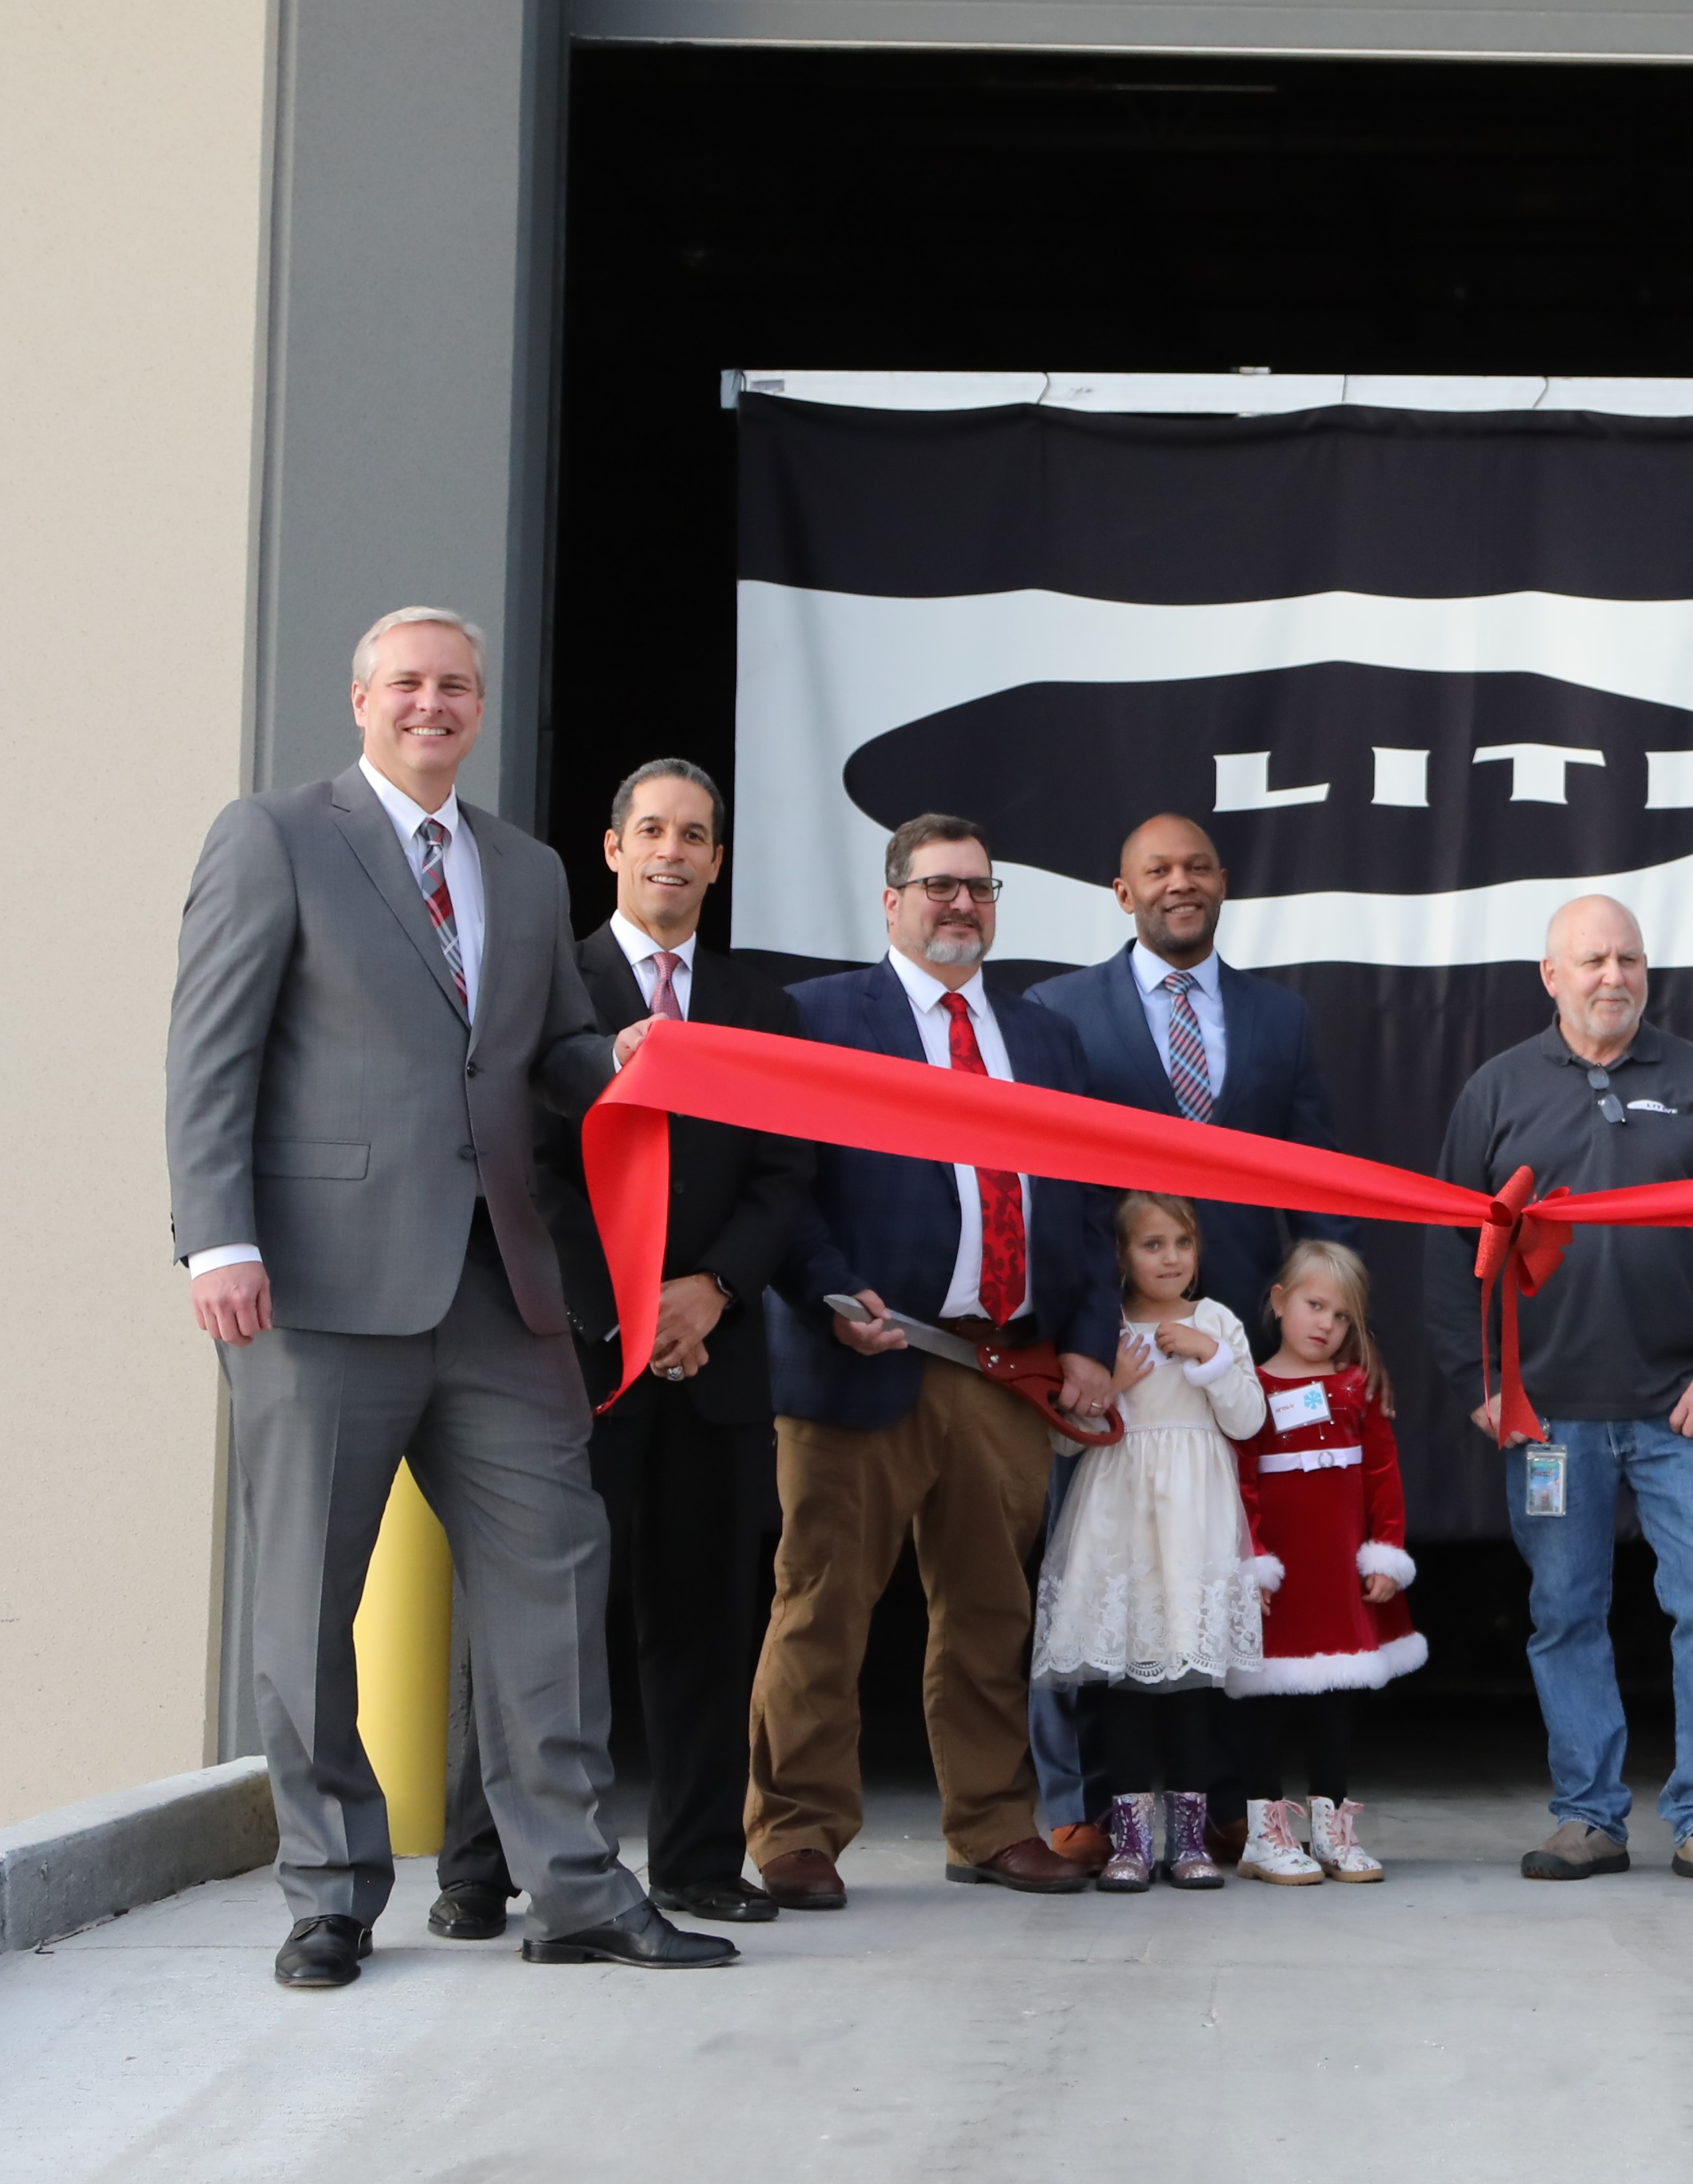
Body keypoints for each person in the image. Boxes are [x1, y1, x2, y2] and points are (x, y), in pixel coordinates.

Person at [167, 605, 735, 1984]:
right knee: (309, 1605)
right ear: (360, 697)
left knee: (550, 1588)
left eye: (458, 687)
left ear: (480, 708)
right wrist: (215, 1240)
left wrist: (629, 1060)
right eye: (410, 683)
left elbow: (550, 1055)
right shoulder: (274, 836)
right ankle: (332, 1894)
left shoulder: (527, 868)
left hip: (503, 1290)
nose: (435, 704)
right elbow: (211, 1049)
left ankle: (579, 1891)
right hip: (319, 1286)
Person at [430, 758, 812, 1940]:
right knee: (536, 1619)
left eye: (695, 834)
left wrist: (713, 1288)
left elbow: (786, 1175)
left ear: (716, 857)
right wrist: (628, 1306)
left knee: (701, 1620)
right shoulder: (550, 989)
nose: (673, 851)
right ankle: (476, 1869)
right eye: (651, 828)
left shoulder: (763, 1004)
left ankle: (697, 1859)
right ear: (610, 849)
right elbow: (527, 1172)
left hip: (715, 1359)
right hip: (573, 1357)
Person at [747, 813, 1117, 1910]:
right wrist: (827, 1300)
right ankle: (797, 1830)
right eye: (938, 886)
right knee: (821, 1603)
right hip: (858, 1359)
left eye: (978, 887)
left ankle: (993, 1822)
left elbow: (1088, 1208)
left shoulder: (1043, 1038)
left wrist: (1089, 1344)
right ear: (890, 898)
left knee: (990, 1611)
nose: (960, 905)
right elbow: (783, 1186)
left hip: (1001, 1368)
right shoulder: (818, 1018)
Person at [1425, 895, 1693, 1888]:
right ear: (1551, 975)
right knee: (1565, 1614)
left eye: (1628, 958)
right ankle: (1588, 1818)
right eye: (1591, 960)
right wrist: (1483, 1383)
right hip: (1550, 1421)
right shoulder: (1496, 1090)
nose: (1611, 975)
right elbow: (1450, 1244)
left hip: (1684, 1412)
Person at [1030, 812, 1355, 1868]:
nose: (1183, 881)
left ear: (1224, 885)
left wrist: (1328, 1330)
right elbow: (1050, 1185)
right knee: (1103, 1581)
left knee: (1224, 1569)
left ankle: (1220, 1804)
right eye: (1158, 868)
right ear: (1120, 891)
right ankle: (1083, 1804)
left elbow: (1317, 1186)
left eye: (1199, 866)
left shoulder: (1282, 1018)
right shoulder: (1057, 1012)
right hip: (1105, 1339)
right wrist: (1077, 1335)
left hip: (1241, 1355)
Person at [1030, 1193, 1272, 1892]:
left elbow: (1249, 1420)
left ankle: (1189, 1840)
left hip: (1193, 1519)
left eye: (1182, 1244)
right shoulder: (1102, 1327)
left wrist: (1212, 1358)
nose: (1170, 1258)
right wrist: (1112, 1385)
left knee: (1187, 1680)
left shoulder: (1217, 1321)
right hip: (1118, 1517)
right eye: (1151, 1245)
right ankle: (1131, 1841)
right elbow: (1059, 1438)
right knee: (1127, 1681)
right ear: (1120, 1256)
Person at [1229, 1239, 1424, 1885]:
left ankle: (1334, 1831)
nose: (1326, 1325)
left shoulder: (1354, 1387)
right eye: (1315, 1306)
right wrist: (1251, 1559)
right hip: (1279, 1582)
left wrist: (1386, 1551)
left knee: (1334, 1703)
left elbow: (1382, 1473)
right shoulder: (1247, 1390)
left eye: (1342, 1316)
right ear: (1280, 1302)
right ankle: (1265, 1836)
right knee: (1263, 1704)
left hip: (1338, 1577)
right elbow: (1241, 1483)